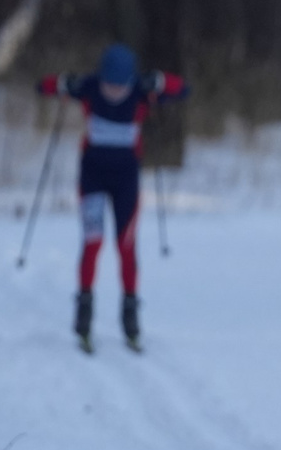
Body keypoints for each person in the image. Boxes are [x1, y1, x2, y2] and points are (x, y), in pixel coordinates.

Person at [37, 43, 188, 352]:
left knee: (126, 246)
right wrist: (65, 82)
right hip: (92, 178)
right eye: (109, 84)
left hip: (126, 183)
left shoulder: (141, 92)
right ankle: (84, 315)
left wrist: (159, 82)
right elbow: (43, 86)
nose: (115, 91)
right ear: (101, 78)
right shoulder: (90, 87)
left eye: (121, 85)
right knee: (93, 243)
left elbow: (183, 90)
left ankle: (130, 318)